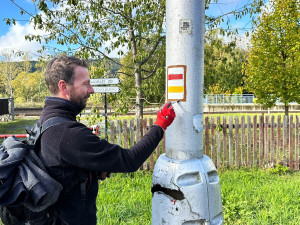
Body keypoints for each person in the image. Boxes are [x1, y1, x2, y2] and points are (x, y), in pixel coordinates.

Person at [35, 55, 175, 224]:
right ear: (64, 86)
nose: (92, 90)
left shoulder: (47, 121)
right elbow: (129, 160)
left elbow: (60, 169)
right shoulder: (67, 133)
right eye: (85, 84)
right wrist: (160, 125)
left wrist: (91, 171)